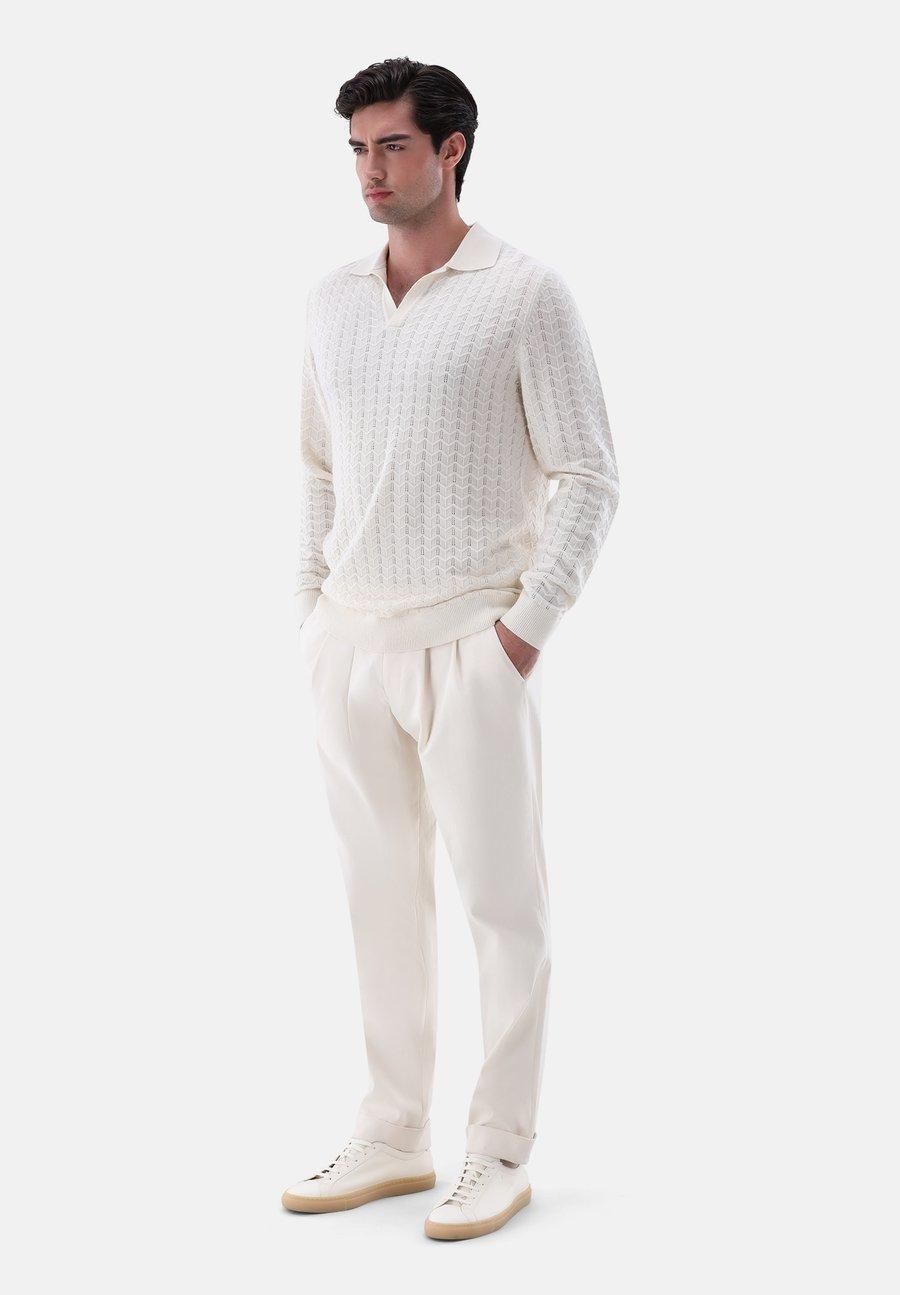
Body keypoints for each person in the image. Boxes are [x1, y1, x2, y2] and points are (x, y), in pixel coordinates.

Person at [282, 57, 619, 1242]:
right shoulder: (331, 300)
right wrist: (312, 611)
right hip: (351, 647)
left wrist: (520, 634)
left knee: (501, 904)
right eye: (357, 149)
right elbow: (317, 465)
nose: (370, 171)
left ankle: (499, 1146)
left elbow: (589, 474)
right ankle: (393, 1129)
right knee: (377, 894)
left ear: (452, 149)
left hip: (472, 643)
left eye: (392, 146)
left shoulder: (523, 294)